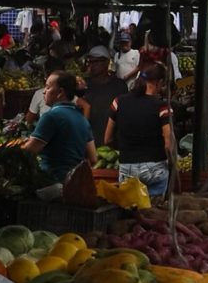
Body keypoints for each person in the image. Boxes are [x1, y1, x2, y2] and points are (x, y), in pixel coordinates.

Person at [104, 63, 174, 198]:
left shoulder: (118, 102)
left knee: (129, 207)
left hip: (127, 167)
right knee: (154, 208)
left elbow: (107, 139)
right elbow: (168, 144)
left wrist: (126, 148)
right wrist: (172, 164)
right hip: (155, 167)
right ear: (159, 83)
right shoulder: (162, 107)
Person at [23, 71, 97, 182]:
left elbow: (29, 151)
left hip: (52, 181)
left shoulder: (51, 117)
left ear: (60, 92)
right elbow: (93, 158)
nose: (44, 91)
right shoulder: (82, 119)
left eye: (48, 87)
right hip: (74, 182)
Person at [80, 45, 127, 147]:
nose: (91, 65)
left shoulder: (119, 85)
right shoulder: (83, 86)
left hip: (113, 142)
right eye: (90, 62)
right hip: (90, 141)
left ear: (106, 62)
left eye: (95, 62)